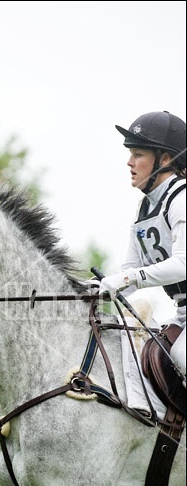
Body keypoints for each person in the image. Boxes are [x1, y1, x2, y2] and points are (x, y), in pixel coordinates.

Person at [99, 110, 186, 383]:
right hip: (182, 313)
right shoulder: (144, 208)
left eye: (138, 154)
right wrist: (92, 288)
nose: (129, 162)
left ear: (165, 159)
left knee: (182, 357)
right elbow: (130, 272)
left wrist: (126, 278)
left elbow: (183, 264)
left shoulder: (181, 198)